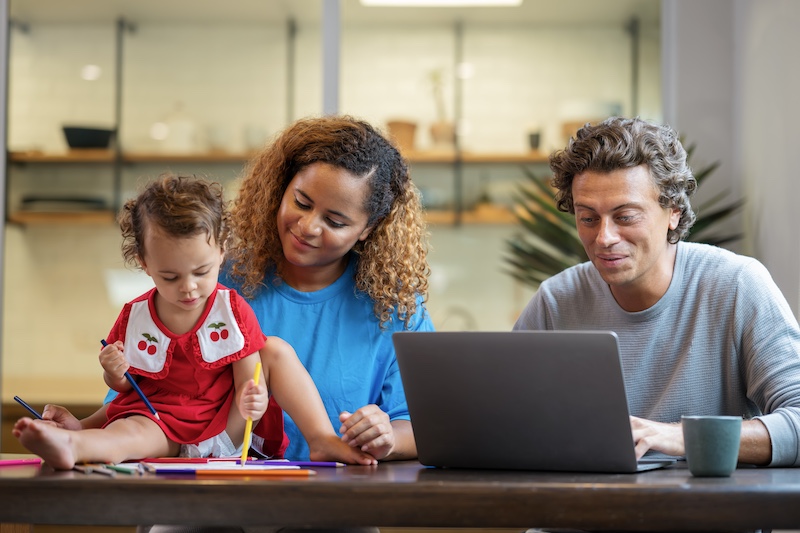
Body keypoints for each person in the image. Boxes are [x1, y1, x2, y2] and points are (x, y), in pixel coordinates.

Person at [38, 115, 433, 464]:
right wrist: (84, 430)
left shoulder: (393, 306)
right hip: (207, 489)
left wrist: (387, 438)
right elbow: (140, 404)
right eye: (301, 201)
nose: (309, 226)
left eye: (335, 220)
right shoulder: (208, 278)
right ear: (281, 188)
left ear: (367, 229)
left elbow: (427, 425)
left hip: (332, 501)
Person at [14, 174, 375, 469]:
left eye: (201, 272)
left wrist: (254, 399)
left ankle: (322, 440)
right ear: (143, 262)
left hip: (223, 426)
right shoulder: (135, 316)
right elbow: (125, 391)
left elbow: (248, 378)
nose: (188, 288)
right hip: (159, 424)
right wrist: (113, 373)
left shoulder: (231, 310)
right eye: (170, 277)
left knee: (275, 349)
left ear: (222, 251)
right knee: (128, 434)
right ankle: (72, 443)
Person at [513, 116, 800, 467]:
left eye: (626, 216)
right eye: (588, 218)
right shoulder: (556, 300)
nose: (604, 238)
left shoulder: (736, 285)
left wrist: (679, 436)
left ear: (673, 212)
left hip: (697, 515)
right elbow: (505, 421)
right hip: (578, 514)